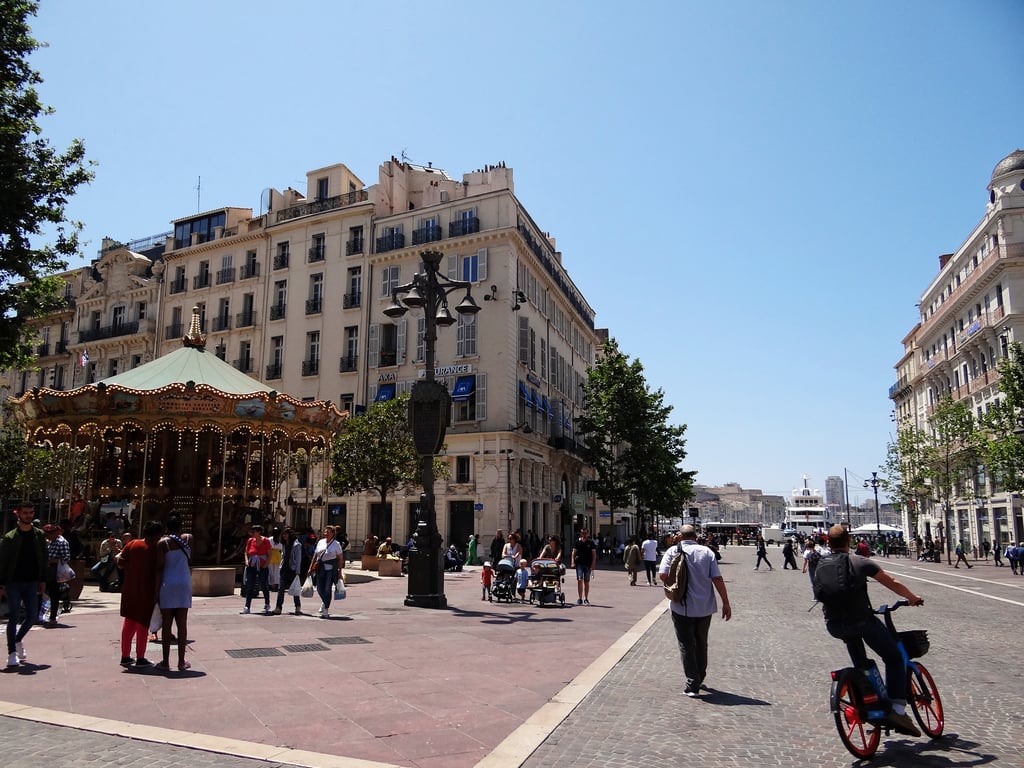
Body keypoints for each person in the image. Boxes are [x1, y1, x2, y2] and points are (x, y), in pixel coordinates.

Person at [815, 524, 924, 736]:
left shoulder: (821, 563)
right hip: (861, 621)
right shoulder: (859, 561)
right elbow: (891, 582)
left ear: (829, 542)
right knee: (893, 658)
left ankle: (870, 700)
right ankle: (897, 710)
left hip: (834, 625)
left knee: (862, 665)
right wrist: (912, 598)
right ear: (849, 541)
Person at [658, 525, 731, 697]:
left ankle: (692, 683)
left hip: (681, 605)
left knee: (686, 644)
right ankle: (699, 676)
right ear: (695, 536)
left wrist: (677, 580)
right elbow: (717, 578)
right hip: (704, 606)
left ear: (680, 537)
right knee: (701, 642)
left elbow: (662, 575)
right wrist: (726, 602)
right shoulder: (706, 552)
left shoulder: (672, 551)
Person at [0, 502, 49, 668]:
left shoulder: (39, 535)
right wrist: (1, 584)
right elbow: (2, 562)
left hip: (32, 582)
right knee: (13, 616)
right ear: (19, 514)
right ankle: (12, 653)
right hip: (13, 582)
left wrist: (43, 580)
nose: (28, 515)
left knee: (32, 616)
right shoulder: (10, 537)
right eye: (25, 513)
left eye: (31, 512)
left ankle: (17, 640)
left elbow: (44, 558)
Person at [117, 520, 163, 667]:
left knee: (129, 622)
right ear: (157, 535)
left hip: (130, 589)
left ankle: (125, 655)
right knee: (142, 624)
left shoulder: (132, 544)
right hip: (146, 591)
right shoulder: (156, 548)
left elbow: (120, 563)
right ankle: (140, 657)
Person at [156, 516, 192, 671]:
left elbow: (159, 567)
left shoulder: (162, 543)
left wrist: (156, 590)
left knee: (167, 623)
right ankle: (181, 661)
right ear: (181, 527)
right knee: (182, 623)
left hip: (167, 583)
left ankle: (165, 662)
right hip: (184, 583)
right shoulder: (188, 539)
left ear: (167, 527)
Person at [310, 525, 344, 618]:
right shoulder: (320, 542)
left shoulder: (336, 544)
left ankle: (326, 608)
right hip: (320, 568)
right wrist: (310, 568)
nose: (326, 533)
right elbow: (315, 555)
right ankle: (324, 601)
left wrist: (339, 571)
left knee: (327, 588)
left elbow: (340, 559)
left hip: (331, 569)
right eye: (325, 532)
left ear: (333, 533)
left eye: (329, 532)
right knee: (319, 588)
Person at [43, 523, 71, 625]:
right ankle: (42, 615)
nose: (47, 536)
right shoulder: (50, 542)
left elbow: (66, 557)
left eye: (49, 534)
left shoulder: (61, 542)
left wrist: (52, 561)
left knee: (54, 594)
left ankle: (53, 617)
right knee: (44, 593)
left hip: (55, 571)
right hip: (47, 570)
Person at [240, 524, 272, 614]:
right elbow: (246, 552)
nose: (252, 533)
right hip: (252, 565)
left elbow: (270, 554)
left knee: (264, 585)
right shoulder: (250, 540)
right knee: (250, 585)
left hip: (262, 565)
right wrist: (247, 561)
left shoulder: (266, 540)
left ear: (259, 532)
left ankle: (267, 603)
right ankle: (247, 606)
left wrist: (266, 564)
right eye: (252, 532)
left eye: (254, 532)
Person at [274, 527, 303, 615]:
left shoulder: (296, 545)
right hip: (284, 568)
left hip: (292, 569)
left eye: (286, 534)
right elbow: (283, 556)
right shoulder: (283, 544)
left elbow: (298, 559)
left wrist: (297, 571)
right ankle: (278, 607)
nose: (284, 536)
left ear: (290, 534)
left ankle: (297, 606)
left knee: (294, 588)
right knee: (281, 589)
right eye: (283, 534)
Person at [570, 528, 597, 605]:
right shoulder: (577, 542)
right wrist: (572, 562)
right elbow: (573, 553)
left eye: (585, 533)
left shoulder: (591, 542)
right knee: (580, 580)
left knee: (586, 581)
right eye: (582, 533)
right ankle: (580, 598)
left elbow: (594, 554)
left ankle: (586, 598)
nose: (584, 535)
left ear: (587, 534)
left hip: (588, 564)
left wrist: (593, 564)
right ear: (580, 534)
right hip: (579, 564)